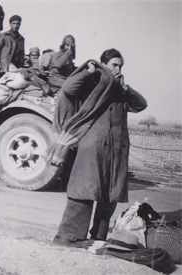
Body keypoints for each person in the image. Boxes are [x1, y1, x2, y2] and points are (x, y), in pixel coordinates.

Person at [52, 48, 147, 247]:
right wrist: (89, 71)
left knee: (109, 194)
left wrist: (126, 89)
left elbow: (141, 105)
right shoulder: (93, 83)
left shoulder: (121, 90)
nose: (118, 69)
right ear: (104, 65)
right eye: (114, 65)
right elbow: (68, 88)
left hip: (116, 150)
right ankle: (70, 237)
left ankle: (98, 237)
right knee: (84, 190)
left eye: (120, 66)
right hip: (92, 147)